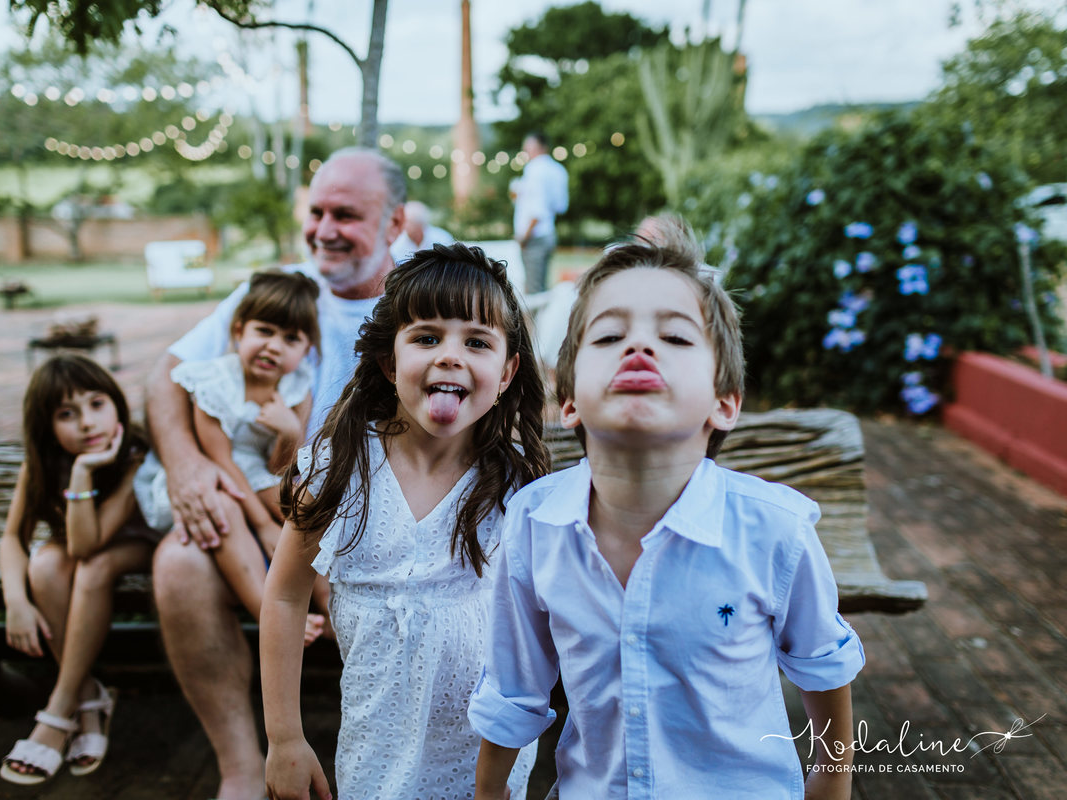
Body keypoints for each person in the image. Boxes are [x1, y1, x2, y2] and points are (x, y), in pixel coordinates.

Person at [470, 221, 865, 800]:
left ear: (725, 403)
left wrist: (831, 780)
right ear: (571, 400)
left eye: (677, 338)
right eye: (608, 337)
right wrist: (488, 793)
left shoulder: (774, 531)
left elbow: (823, 667)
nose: (639, 347)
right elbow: (513, 686)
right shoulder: (534, 524)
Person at [145, 147, 405, 800]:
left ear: (394, 224)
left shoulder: (420, 299)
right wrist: (186, 468)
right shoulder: (278, 293)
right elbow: (166, 377)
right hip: (265, 496)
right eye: (315, 211)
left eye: (345, 214)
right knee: (178, 563)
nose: (323, 229)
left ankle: (389, 764)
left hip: (367, 511)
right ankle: (240, 766)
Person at [259, 244, 550, 800]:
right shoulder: (339, 468)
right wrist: (285, 738)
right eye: (426, 337)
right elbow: (285, 597)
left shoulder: (519, 492)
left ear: (508, 371)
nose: (450, 356)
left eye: (478, 342)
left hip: (484, 767)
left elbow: (538, 633)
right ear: (390, 363)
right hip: (376, 757)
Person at [135, 270, 325, 640]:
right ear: (238, 332)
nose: (274, 346)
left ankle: (328, 601)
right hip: (219, 475)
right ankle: (268, 611)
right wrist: (262, 525)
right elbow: (220, 460)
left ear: (306, 351)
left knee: (305, 509)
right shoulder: (214, 383)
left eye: (290, 339)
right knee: (225, 507)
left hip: (258, 474)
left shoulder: (297, 388)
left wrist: (289, 431)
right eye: (264, 331)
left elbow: (280, 467)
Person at [0, 354, 158, 785]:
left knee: (90, 566)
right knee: (46, 563)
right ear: (47, 427)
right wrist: (15, 600)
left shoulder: (135, 456)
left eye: (96, 404)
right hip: (90, 548)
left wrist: (85, 472)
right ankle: (89, 700)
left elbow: (88, 545)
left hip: (144, 547)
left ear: (116, 405)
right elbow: (14, 537)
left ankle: (59, 708)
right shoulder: (41, 464)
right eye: (67, 414)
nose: (87, 423)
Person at [512, 131, 568, 294]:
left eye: (528, 149)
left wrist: (524, 237)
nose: (526, 153)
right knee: (542, 288)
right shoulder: (558, 170)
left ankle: (536, 321)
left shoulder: (535, 169)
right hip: (548, 233)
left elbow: (537, 210)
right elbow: (561, 206)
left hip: (534, 237)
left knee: (533, 292)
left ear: (541, 148)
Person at [389, 200, 454, 264]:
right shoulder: (397, 243)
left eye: (407, 222)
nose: (403, 225)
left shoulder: (442, 239)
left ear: (419, 224)